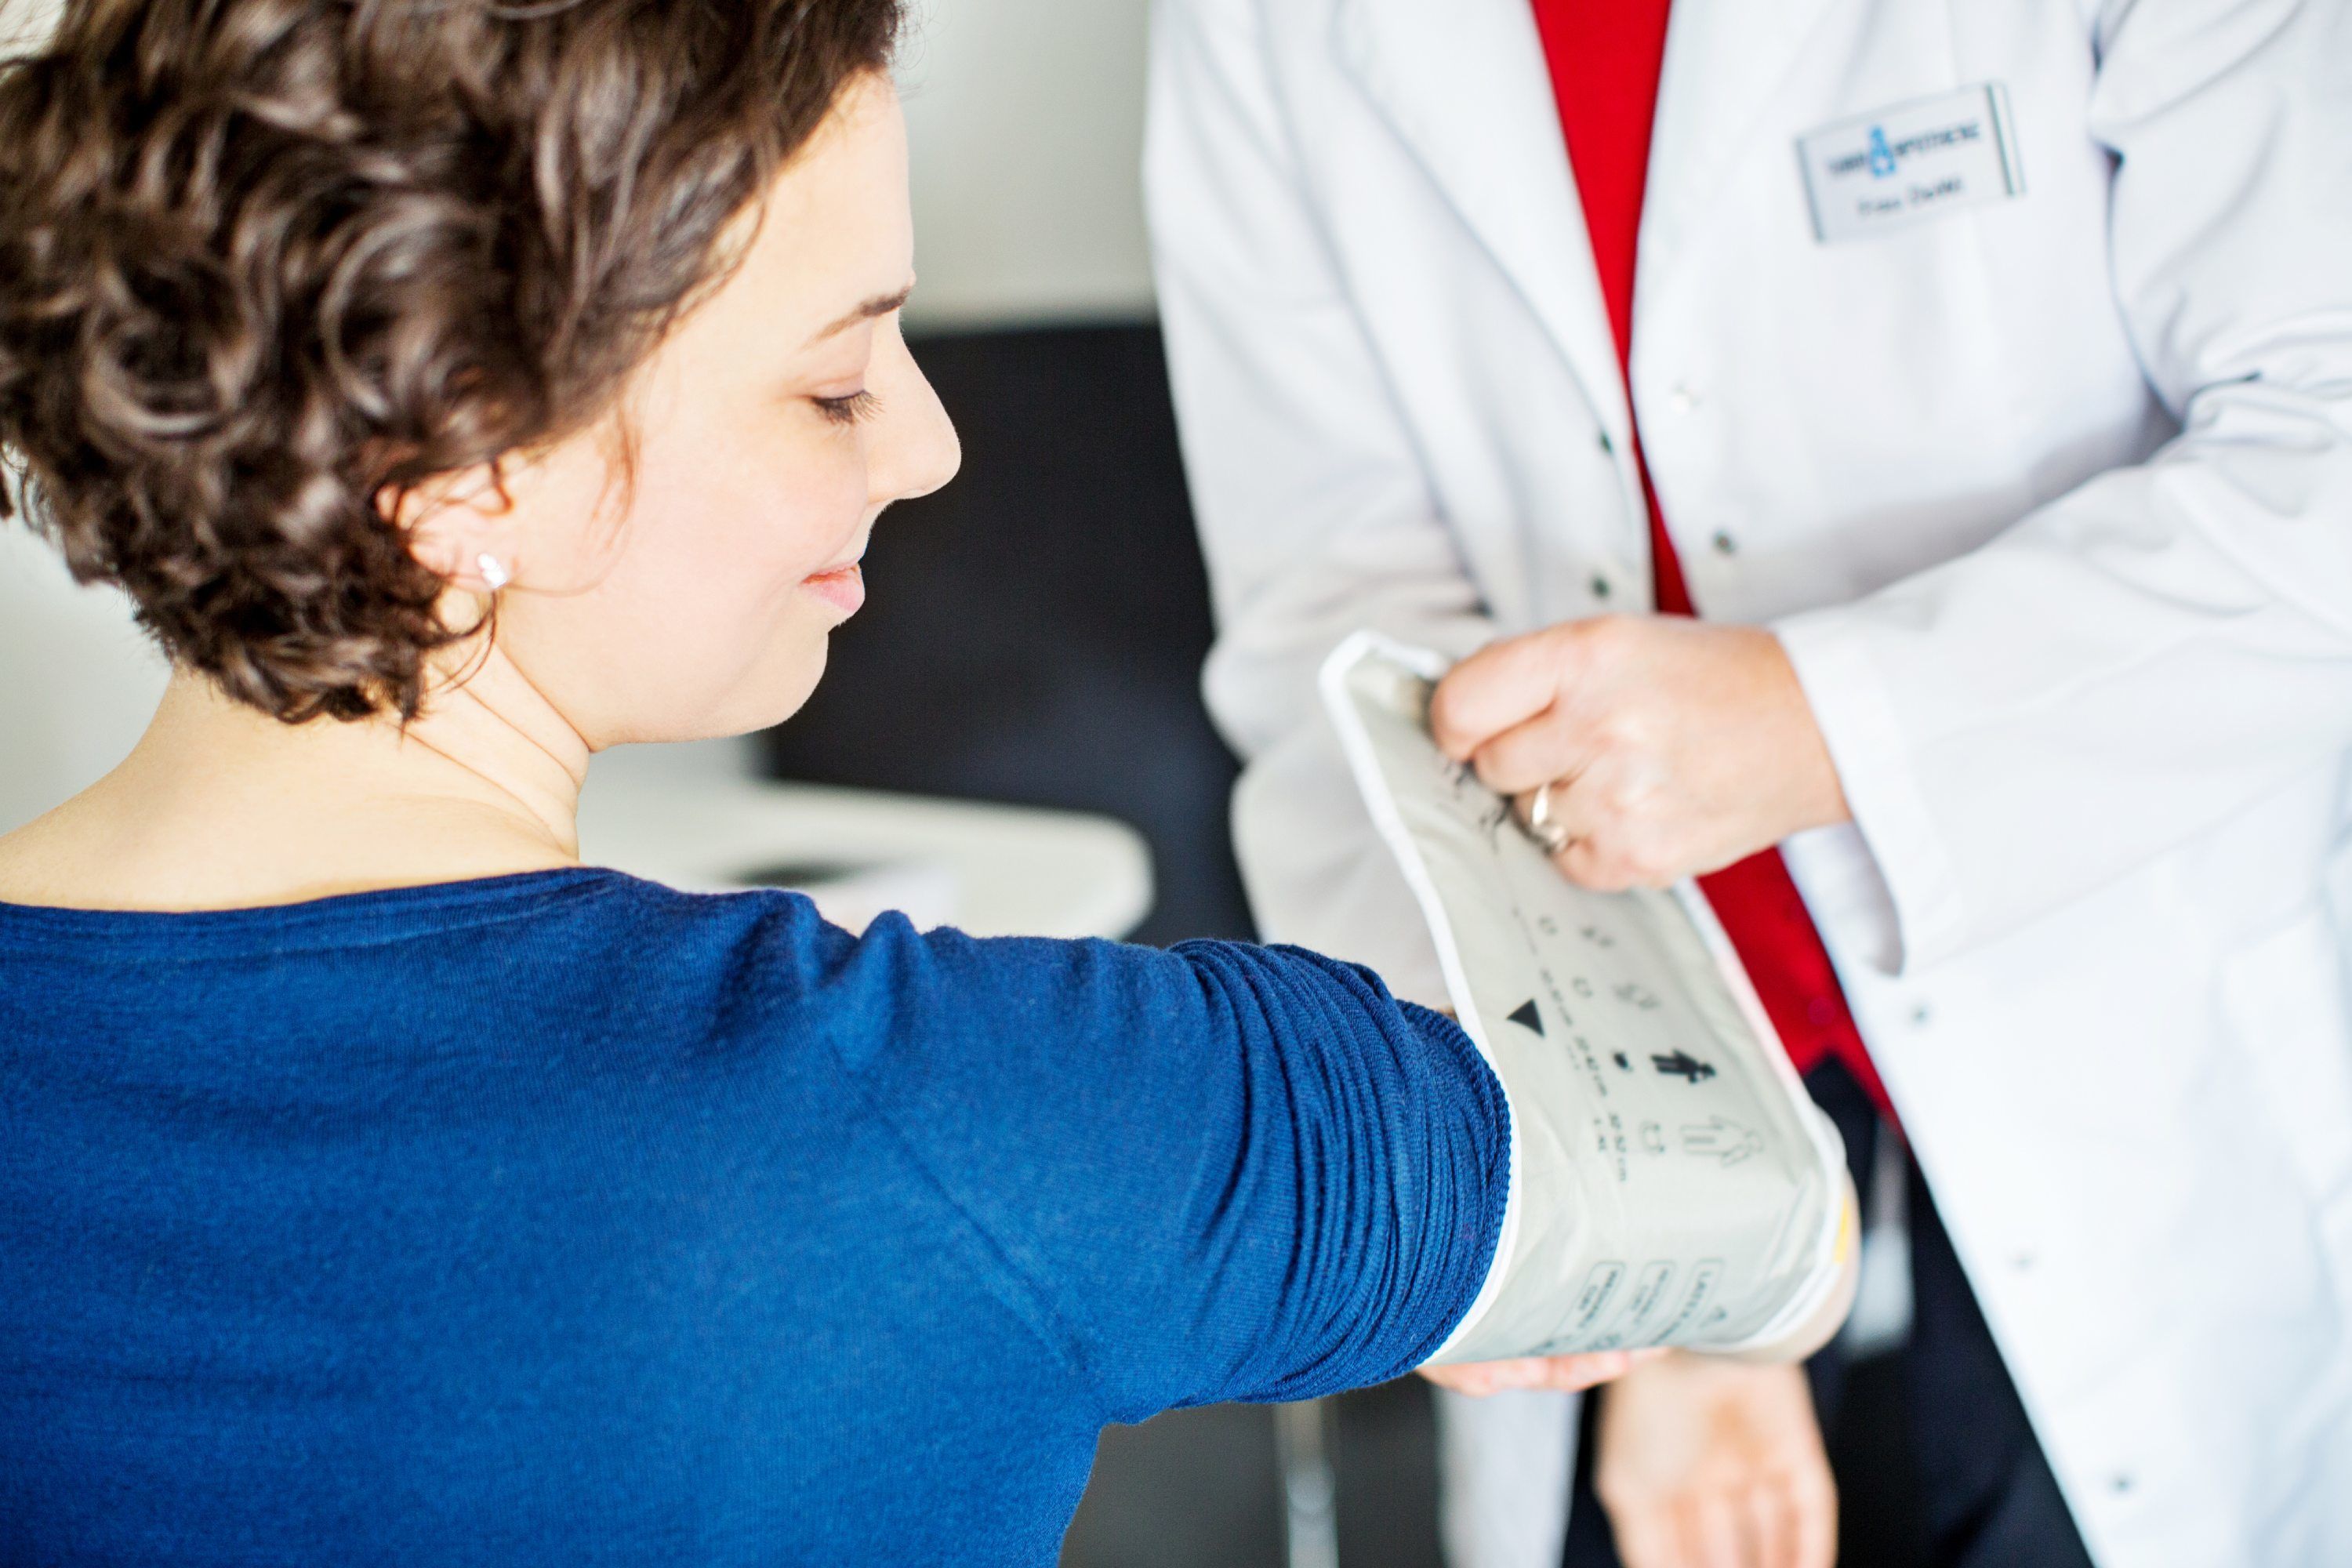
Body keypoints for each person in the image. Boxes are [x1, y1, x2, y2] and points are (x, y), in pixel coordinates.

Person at [0, 1, 1704, 1560]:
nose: (928, 442)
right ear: (462, 460)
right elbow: (1714, 1201)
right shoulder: (989, 1115)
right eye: (833, 383)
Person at [1144, 1, 2352, 1566]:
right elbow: (1342, 638)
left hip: (2114, 1026)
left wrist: (1821, 721)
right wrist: (1656, 1289)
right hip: (1610, 1084)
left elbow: (2325, 455)